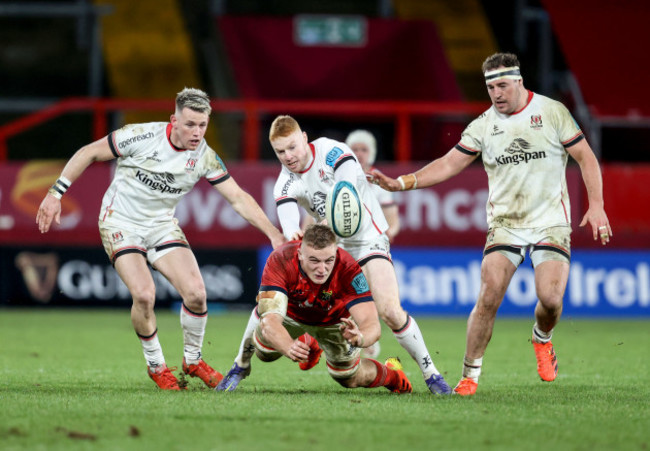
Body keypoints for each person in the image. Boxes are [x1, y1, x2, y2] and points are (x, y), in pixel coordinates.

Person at [370, 52, 612, 396]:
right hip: (506, 223)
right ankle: (470, 375)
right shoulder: (483, 126)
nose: (496, 93)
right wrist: (402, 183)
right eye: (490, 87)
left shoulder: (552, 112)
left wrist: (597, 204)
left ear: (518, 82)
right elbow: (447, 164)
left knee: (551, 299)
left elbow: (586, 156)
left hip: (550, 222)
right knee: (488, 295)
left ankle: (542, 338)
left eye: (502, 85)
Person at [36, 87, 286, 390]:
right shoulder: (140, 136)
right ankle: (157, 366)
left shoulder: (205, 157)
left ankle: (193, 361)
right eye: (190, 124)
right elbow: (89, 152)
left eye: (203, 125)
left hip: (161, 226)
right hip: (121, 222)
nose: (197, 132)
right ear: (174, 120)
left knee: (196, 293)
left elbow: (237, 198)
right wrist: (55, 193)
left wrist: (273, 232)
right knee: (144, 294)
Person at [217, 115, 452, 395]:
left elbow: (346, 192)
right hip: (332, 250)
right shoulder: (284, 183)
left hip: (367, 240)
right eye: (280, 152)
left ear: (304, 138)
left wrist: (325, 225)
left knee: (390, 310)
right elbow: (291, 229)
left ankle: (432, 375)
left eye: (292, 147)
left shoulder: (332, 151)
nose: (288, 156)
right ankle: (241, 365)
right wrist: (292, 240)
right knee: (271, 310)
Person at [219, 224, 412, 393]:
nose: (322, 269)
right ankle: (307, 339)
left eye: (328, 261)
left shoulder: (347, 268)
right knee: (264, 352)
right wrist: (288, 345)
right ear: (300, 254)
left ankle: (393, 376)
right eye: (314, 260)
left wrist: (360, 337)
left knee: (349, 378)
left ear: (335, 253)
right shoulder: (280, 259)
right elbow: (270, 320)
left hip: (335, 322)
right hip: (292, 316)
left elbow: (371, 324)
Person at [345, 129, 400, 360]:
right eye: (354, 149)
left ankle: (366, 341)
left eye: (363, 149)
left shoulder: (378, 183)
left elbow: (393, 223)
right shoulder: (336, 179)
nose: (359, 154)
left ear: (372, 153)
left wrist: (383, 237)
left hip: (370, 247)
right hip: (343, 247)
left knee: (371, 296)